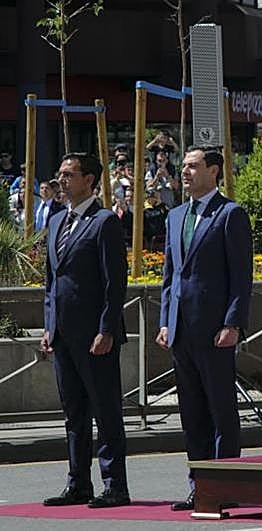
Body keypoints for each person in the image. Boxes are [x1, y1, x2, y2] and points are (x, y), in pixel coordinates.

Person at [156, 146, 253, 511]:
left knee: (220, 411)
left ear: (214, 171)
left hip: (215, 329)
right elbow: (170, 278)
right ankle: (199, 486)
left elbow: (241, 278)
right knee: (192, 413)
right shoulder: (176, 215)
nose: (185, 172)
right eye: (183, 166)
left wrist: (233, 323)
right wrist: (165, 321)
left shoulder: (230, 214)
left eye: (193, 166)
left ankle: (226, 486)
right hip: (182, 329)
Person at [41, 153, 130, 508]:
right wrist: (49, 326)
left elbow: (114, 283)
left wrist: (106, 328)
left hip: (96, 336)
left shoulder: (104, 221)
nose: (61, 181)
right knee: (74, 413)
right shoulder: (57, 219)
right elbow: (51, 281)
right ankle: (78, 482)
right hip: (63, 334)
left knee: (106, 411)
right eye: (60, 174)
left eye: (69, 174)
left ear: (89, 180)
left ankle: (115, 485)